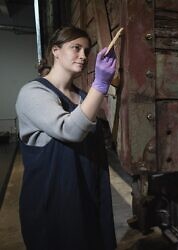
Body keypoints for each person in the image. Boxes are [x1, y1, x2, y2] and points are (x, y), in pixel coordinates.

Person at [15, 26, 117, 250]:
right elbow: (70, 129)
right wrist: (100, 85)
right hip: (52, 206)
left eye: (86, 51)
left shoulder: (82, 97)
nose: (83, 55)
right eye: (76, 48)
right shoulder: (33, 93)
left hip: (86, 199)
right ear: (56, 51)